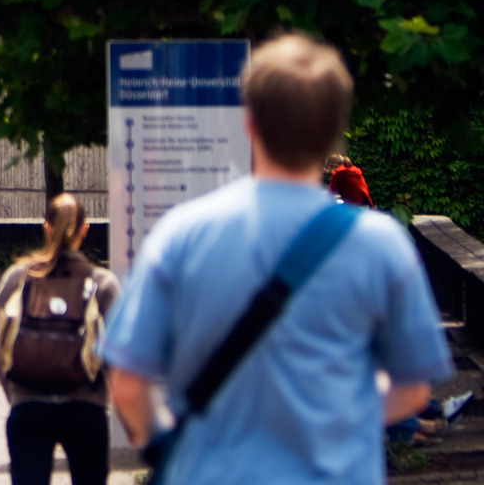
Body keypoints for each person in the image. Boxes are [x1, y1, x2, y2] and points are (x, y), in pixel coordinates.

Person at [103, 33, 451, 485]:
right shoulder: (380, 244)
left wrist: (166, 443)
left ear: (249, 124)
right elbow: (412, 392)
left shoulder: (181, 233)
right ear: (333, 133)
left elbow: (127, 382)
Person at [0, 194, 120, 485]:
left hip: (29, 405)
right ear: (85, 229)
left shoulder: (18, 278)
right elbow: (119, 354)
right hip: (85, 406)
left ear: (45, 227)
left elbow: (1, 348)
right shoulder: (101, 282)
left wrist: (16, 396)